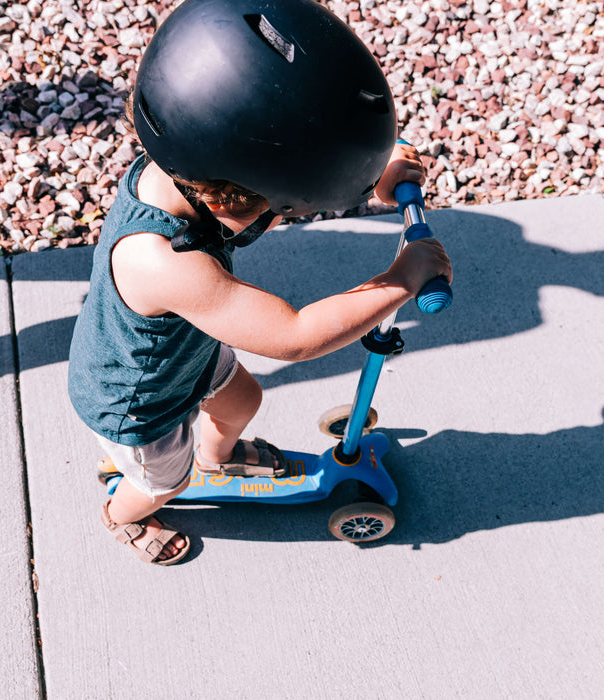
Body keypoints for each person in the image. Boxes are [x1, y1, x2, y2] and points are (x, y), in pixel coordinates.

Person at [68, 0, 452, 565]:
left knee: (244, 399)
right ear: (230, 197)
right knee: (162, 483)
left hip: (185, 354)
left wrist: (370, 174)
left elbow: (275, 150)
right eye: (288, 211)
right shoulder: (162, 261)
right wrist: (400, 278)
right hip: (139, 403)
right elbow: (290, 336)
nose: (289, 219)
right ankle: (123, 515)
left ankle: (216, 460)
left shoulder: (184, 169)